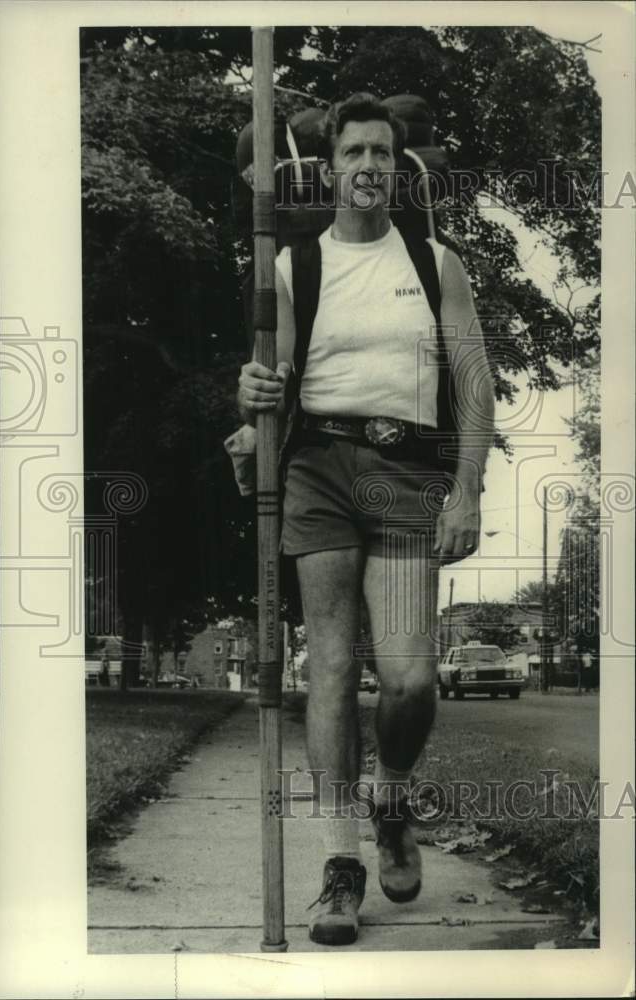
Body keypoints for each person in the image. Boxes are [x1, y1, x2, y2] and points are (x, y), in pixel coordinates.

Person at [236, 93, 494, 946]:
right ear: (330, 167)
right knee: (335, 672)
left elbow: (474, 381)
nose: (369, 166)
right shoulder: (291, 267)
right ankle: (340, 866)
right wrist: (253, 392)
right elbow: (265, 379)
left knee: (412, 678)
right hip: (318, 468)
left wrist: (467, 486)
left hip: (406, 469)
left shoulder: (434, 263)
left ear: (400, 168)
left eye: (383, 152)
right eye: (354, 153)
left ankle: (393, 796)